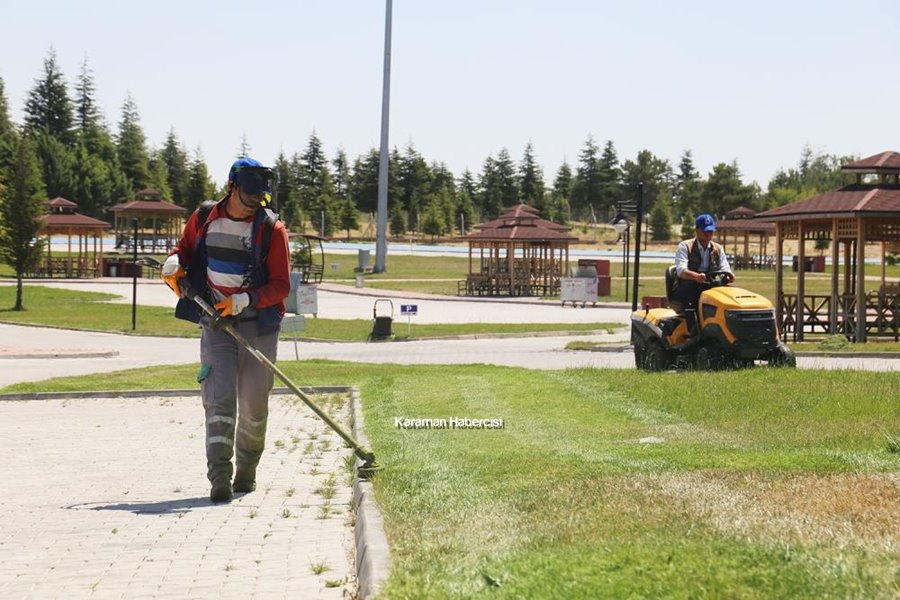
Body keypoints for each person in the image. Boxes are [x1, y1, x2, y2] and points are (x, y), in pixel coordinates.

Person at [161, 157, 291, 503]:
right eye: (250, 196)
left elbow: (281, 286)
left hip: (258, 328)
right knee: (218, 402)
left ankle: (246, 473)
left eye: (261, 197)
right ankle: (219, 476)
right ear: (232, 187)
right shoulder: (204, 217)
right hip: (216, 324)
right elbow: (183, 251)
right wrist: (173, 263)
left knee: (253, 406)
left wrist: (245, 300)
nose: (256, 203)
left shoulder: (272, 229)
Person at [671, 213, 734, 331]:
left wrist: (729, 275)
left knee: (730, 296)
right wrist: (696, 276)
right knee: (692, 296)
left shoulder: (718, 249)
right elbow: (681, 271)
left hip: (711, 285)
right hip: (687, 285)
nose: (708, 234)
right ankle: (694, 331)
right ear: (696, 230)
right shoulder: (685, 246)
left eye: (710, 231)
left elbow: (725, 268)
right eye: (705, 231)